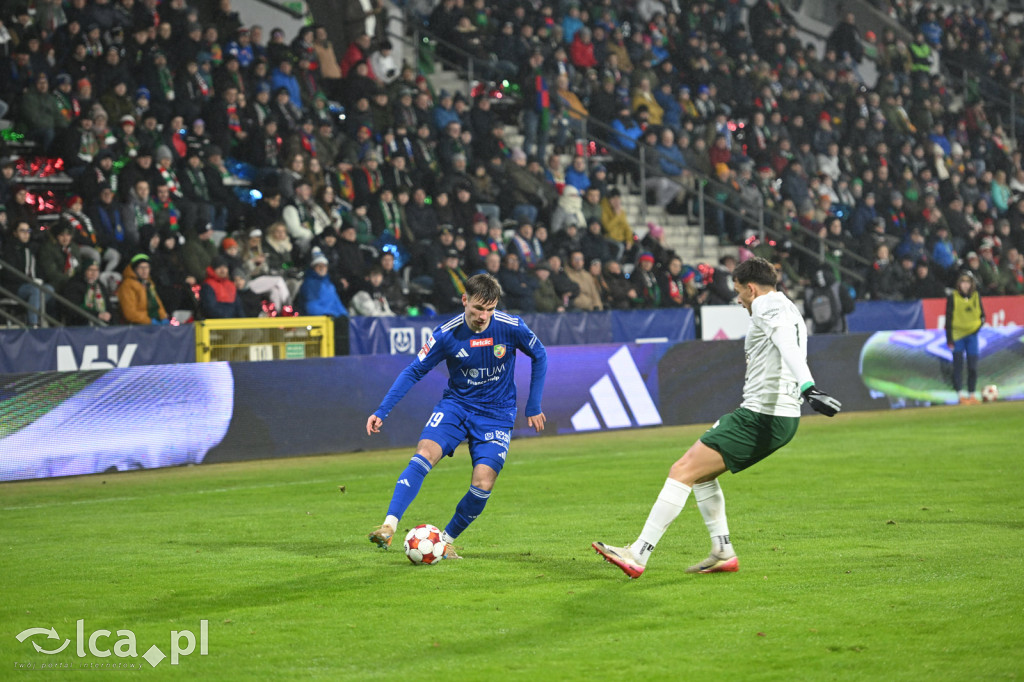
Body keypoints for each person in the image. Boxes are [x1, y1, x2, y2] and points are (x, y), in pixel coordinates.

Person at [592, 257, 841, 579]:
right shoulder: (788, 306)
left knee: (681, 470)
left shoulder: (766, 306)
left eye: (739, 292)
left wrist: (809, 387)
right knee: (702, 475)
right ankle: (722, 551)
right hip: (774, 415)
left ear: (751, 288)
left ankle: (638, 554)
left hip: (762, 414)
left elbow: (786, 345)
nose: (738, 300)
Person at [366, 274, 548, 558]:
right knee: (424, 453)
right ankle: (389, 526)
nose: (483, 316)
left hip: (497, 415)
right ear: (465, 300)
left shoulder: (511, 327)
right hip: (457, 406)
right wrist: (382, 410)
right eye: (478, 308)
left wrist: (533, 405)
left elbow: (540, 354)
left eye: (490, 309)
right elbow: (414, 370)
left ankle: (445, 541)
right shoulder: (446, 334)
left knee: (483, 482)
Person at [945, 272, 984, 405]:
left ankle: (972, 394)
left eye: (968, 282)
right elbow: (948, 318)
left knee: (972, 366)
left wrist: (976, 328)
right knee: (958, 365)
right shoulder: (953, 297)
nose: (965, 285)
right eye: (963, 282)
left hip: (972, 336)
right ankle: (960, 394)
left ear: (971, 284)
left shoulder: (976, 296)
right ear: (959, 284)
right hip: (957, 336)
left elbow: (982, 315)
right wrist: (949, 338)